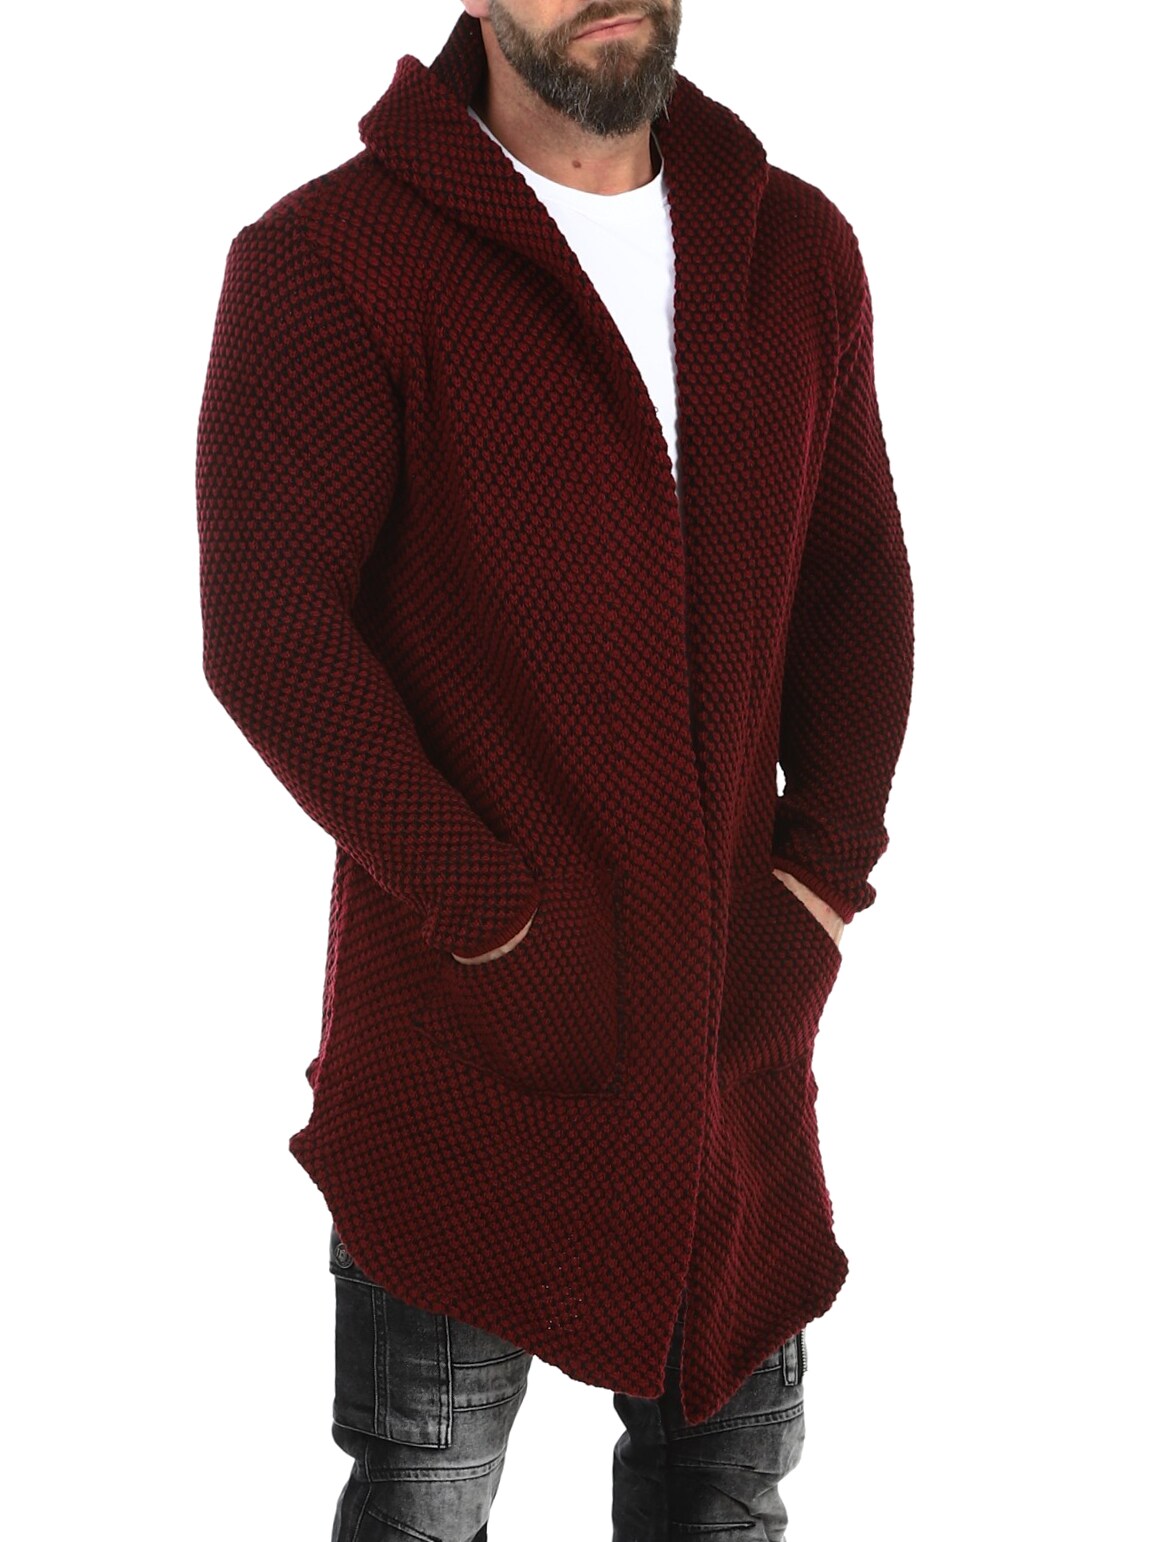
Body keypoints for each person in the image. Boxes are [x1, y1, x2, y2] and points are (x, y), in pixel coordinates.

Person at [195, 2, 914, 1536]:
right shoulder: (333, 258)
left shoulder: (794, 250)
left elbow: (855, 576)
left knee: (726, 1498)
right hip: (465, 1066)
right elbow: (271, 631)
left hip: (731, 1080)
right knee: (427, 1500)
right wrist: (490, 914)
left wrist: (819, 882)